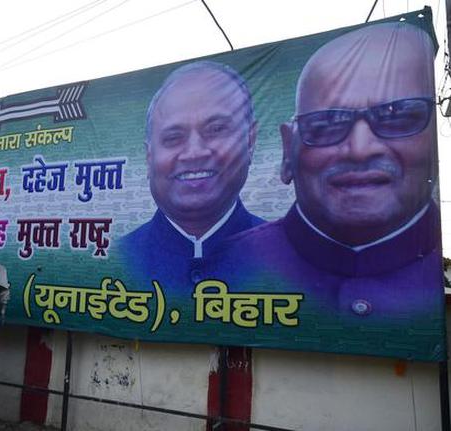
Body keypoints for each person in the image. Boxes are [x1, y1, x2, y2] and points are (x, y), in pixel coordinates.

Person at [227, 22, 442, 323]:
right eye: (328, 123)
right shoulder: (227, 264)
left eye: (398, 116)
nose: (360, 149)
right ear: (289, 150)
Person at [120, 61, 264, 293]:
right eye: (173, 137)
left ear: (250, 140)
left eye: (216, 129)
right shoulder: (119, 256)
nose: (195, 152)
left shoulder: (295, 261)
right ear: (149, 157)